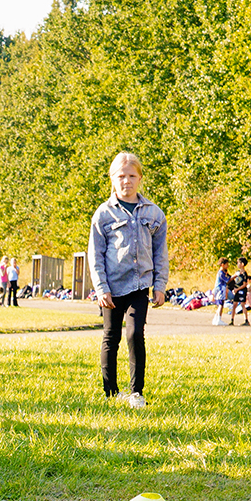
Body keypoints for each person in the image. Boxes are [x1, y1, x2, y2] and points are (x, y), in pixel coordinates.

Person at [89, 151, 167, 409]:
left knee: (135, 333)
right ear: (112, 179)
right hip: (111, 288)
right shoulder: (103, 215)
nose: (126, 181)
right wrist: (101, 288)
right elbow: (96, 255)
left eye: (132, 176)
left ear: (140, 178)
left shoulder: (154, 213)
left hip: (139, 285)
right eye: (121, 176)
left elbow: (160, 253)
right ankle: (111, 391)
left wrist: (159, 285)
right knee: (111, 337)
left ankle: (136, 392)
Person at [227, 258, 251, 325]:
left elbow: (244, 284)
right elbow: (232, 279)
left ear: (242, 264)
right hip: (236, 291)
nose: (237, 264)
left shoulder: (244, 274)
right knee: (234, 305)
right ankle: (232, 320)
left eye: (239, 263)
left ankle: (246, 320)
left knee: (242, 304)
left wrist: (237, 289)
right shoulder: (237, 272)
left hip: (242, 291)